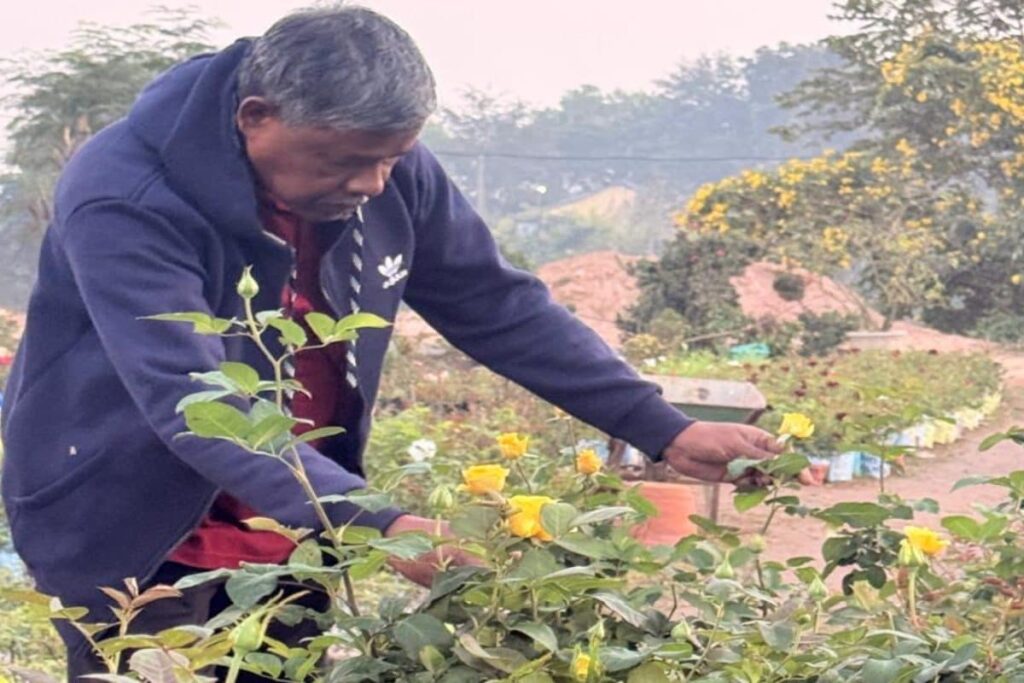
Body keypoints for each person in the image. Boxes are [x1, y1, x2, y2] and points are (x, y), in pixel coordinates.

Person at [0, 5, 783, 678]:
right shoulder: (127, 191)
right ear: (256, 118)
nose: (374, 183)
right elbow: (194, 399)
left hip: (299, 521)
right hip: (134, 520)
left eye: (392, 158)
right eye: (347, 161)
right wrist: (379, 523)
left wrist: (661, 425)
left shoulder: (386, 165)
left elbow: (495, 302)